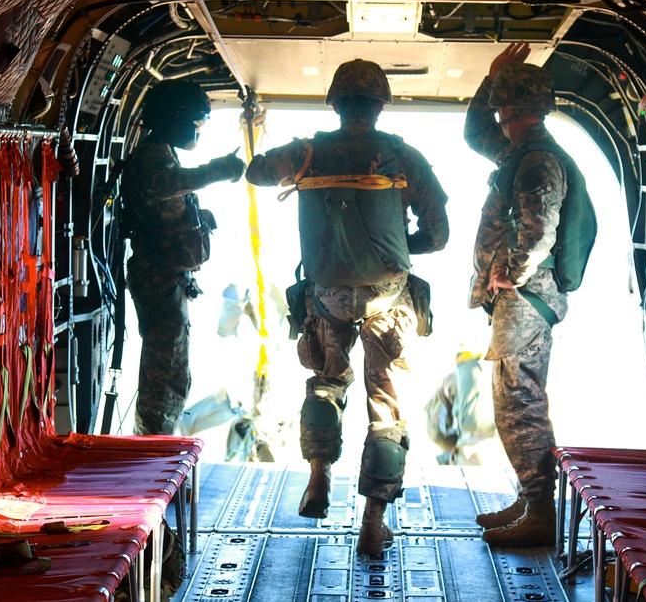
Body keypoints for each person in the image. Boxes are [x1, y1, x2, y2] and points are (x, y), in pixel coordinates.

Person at [246, 59, 449, 555]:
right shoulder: (403, 157)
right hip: (388, 298)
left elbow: (254, 172)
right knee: (386, 408)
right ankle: (373, 522)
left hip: (327, 296)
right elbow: (438, 234)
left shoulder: (306, 153)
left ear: (335, 104)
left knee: (326, 382)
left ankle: (319, 476)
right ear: (380, 105)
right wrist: (399, 246)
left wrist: (298, 162)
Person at [463, 42, 567, 548]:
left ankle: (541, 511)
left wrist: (513, 275)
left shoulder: (536, 160)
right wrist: (493, 78)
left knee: (518, 403)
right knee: (515, 399)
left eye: (499, 102)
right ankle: (531, 499)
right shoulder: (521, 151)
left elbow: (540, 227)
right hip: (520, 301)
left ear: (508, 108)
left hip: (525, 300)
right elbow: (474, 134)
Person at [121, 78, 246, 435]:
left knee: (172, 370)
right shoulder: (151, 156)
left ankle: (155, 445)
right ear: (176, 118)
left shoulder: (161, 152)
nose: (200, 129)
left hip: (167, 278)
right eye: (197, 121)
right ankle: (151, 451)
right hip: (159, 278)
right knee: (166, 374)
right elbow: (167, 185)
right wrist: (219, 170)